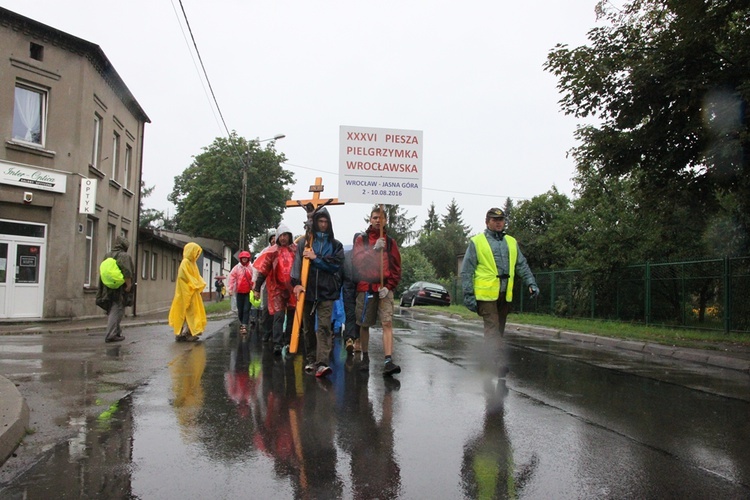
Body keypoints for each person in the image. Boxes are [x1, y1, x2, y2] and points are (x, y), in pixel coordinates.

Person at [460, 207, 540, 374]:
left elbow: (521, 265)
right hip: (486, 295)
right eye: (494, 220)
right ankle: (496, 363)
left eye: (501, 220)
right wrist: (468, 294)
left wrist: (531, 283)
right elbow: (467, 270)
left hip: (504, 294)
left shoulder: (511, 242)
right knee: (492, 328)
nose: (498, 222)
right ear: (487, 222)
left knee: (498, 330)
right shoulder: (477, 242)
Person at [291, 207, 345, 378]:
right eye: (320, 221)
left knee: (323, 327)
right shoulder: (304, 243)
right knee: (307, 327)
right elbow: (297, 265)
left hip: (326, 292)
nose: (322, 225)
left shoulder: (336, 245)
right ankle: (311, 358)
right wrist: (297, 284)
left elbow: (335, 266)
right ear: (314, 223)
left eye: (325, 222)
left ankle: (322, 363)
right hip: (307, 291)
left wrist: (317, 259)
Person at [352, 207, 402, 376]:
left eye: (381, 218)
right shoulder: (362, 240)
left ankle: (388, 360)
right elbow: (357, 262)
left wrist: (389, 286)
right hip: (366, 287)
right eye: (375, 217)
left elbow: (396, 267)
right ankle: (365, 357)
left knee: (387, 322)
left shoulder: (390, 242)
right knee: (364, 324)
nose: (378, 220)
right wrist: (373, 248)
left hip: (384, 289)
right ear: (370, 219)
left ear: (385, 221)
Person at [253, 224, 297, 355]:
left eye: (286, 235)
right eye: (281, 235)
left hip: (292, 289)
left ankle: (289, 341)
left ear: (290, 236)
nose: (283, 238)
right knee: (278, 316)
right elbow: (263, 270)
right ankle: (277, 343)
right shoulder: (272, 252)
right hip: (277, 289)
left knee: (291, 316)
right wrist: (256, 288)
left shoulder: (296, 250)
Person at [96, 236, 135, 343]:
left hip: (107, 287)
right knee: (117, 308)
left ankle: (117, 331)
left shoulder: (107, 255)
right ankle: (111, 334)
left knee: (114, 309)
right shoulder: (124, 256)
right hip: (119, 288)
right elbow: (127, 272)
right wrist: (129, 285)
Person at [169, 242, 207, 342]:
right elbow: (184, 278)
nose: (197, 255)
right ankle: (184, 333)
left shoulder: (192, 264)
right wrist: (195, 286)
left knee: (192, 313)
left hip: (192, 292)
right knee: (186, 313)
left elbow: (196, 277)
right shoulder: (185, 263)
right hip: (185, 293)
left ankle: (187, 332)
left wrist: (199, 284)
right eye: (196, 252)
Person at [342, 233, 363, 355]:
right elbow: (341, 273)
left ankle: (358, 340)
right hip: (348, 288)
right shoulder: (346, 256)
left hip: (361, 289)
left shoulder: (366, 257)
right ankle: (349, 339)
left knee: (360, 315)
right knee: (350, 314)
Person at [254, 230, 276, 342]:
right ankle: (267, 332)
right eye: (272, 238)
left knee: (279, 311)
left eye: (275, 237)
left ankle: (277, 335)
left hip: (281, 286)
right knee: (267, 309)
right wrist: (256, 286)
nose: (274, 240)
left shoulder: (285, 251)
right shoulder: (265, 252)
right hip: (268, 285)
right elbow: (259, 270)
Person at [228, 250, 254, 335]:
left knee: (246, 309)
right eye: (243, 258)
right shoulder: (236, 268)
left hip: (248, 292)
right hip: (239, 292)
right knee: (240, 309)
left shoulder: (251, 267)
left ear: (248, 258)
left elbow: (255, 277)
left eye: (246, 258)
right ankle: (242, 322)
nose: (244, 260)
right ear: (240, 258)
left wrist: (255, 288)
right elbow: (232, 278)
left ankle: (244, 325)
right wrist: (230, 289)